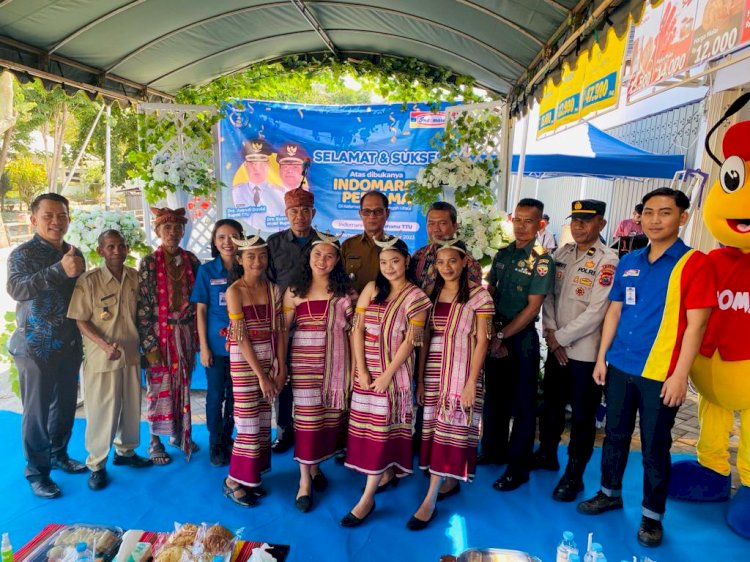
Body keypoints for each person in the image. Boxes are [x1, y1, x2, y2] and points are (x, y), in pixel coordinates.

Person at [577, 188, 717, 547]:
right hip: (620, 365)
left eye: (665, 212)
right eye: (649, 212)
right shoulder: (630, 260)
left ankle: (652, 517)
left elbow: (696, 324)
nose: (655, 220)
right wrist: (601, 358)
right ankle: (609, 492)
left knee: (655, 446)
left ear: (683, 218)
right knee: (615, 436)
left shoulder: (695, 264)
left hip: (661, 374)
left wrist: (680, 375)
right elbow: (615, 310)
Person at [341, 236, 431, 527]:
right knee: (368, 430)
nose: (389, 267)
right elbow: (357, 330)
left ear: (406, 262)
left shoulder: (416, 298)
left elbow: (410, 342)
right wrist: (363, 371)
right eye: (384, 262)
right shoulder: (371, 288)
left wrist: (386, 375)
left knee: (382, 431)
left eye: (395, 261)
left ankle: (367, 498)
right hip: (367, 373)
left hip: (394, 375)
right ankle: (385, 473)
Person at [535, 200, 619, 502]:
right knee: (552, 407)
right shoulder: (562, 254)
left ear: (601, 224)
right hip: (558, 346)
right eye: (575, 220)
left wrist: (560, 338)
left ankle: (575, 473)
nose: (579, 226)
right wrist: (552, 333)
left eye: (587, 220)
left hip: (584, 353)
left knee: (583, 417)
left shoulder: (608, 260)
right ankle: (546, 454)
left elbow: (598, 311)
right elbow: (548, 297)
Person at [410, 238, 493, 531]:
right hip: (433, 371)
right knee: (434, 429)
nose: (447, 267)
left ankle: (430, 499)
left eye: (453, 261)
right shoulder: (429, 294)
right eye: (441, 262)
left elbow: (483, 340)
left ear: (465, 262)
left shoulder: (479, 297)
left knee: (452, 428)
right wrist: (419, 379)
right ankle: (446, 480)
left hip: (462, 372)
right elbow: (424, 339)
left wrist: (471, 382)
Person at [7, 193, 87, 498]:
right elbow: (16, 289)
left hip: (68, 342)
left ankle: (59, 455)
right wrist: (57, 271)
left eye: (62, 215)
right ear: (34, 220)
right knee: (37, 412)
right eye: (48, 216)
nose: (56, 221)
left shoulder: (74, 252)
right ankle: (37, 473)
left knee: (65, 405)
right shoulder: (22, 254)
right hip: (34, 345)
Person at [67, 230, 153, 491]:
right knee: (102, 411)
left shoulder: (134, 277)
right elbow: (80, 319)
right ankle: (96, 464)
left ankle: (125, 452)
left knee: (130, 406)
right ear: (100, 251)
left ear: (127, 249)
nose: (116, 250)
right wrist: (104, 345)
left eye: (121, 246)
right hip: (102, 356)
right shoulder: (89, 281)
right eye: (110, 246)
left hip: (130, 353)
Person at [483, 198, 555, 492]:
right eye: (518, 220)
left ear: (540, 225)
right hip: (496, 334)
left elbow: (531, 309)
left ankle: (518, 467)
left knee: (523, 405)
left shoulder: (541, 260)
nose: (522, 227)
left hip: (521, 338)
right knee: (495, 399)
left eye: (529, 221)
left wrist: (502, 337)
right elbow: (490, 294)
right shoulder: (502, 255)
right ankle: (492, 451)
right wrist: (491, 333)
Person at [283, 233, 353, 513]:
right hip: (303, 366)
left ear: (336, 260)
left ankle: (314, 469)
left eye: (328, 256)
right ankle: (304, 483)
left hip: (336, 367)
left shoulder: (346, 292)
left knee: (328, 420)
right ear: (308, 258)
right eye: (317, 255)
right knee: (307, 420)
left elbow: (353, 331)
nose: (322, 261)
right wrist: (280, 363)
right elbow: (283, 331)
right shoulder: (294, 291)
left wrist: (353, 369)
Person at [223, 232, 286, 507]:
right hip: (245, 360)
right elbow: (240, 337)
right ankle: (233, 480)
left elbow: (280, 329)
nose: (257, 261)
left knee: (263, 420)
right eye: (250, 256)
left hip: (269, 356)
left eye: (262, 255)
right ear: (240, 259)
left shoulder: (273, 289)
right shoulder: (234, 291)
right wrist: (261, 375)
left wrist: (280, 366)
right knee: (247, 421)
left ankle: (252, 477)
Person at [137, 207, 200, 465]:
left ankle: (178, 435)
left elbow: (198, 302)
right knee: (159, 388)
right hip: (159, 335)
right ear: (158, 232)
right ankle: (155, 441)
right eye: (167, 228)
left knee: (182, 385)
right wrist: (149, 345)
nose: (173, 233)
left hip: (184, 334)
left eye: (177, 228)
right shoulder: (149, 262)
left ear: (183, 231)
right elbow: (142, 306)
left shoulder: (192, 260)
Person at [267, 187, 321, 454]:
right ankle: (285, 429)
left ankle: (319, 430)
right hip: (286, 324)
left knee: (316, 378)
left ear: (313, 213)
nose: (299, 216)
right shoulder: (274, 243)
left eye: (304, 211)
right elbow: (267, 284)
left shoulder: (325, 242)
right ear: (286, 213)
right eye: (293, 211)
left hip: (318, 323)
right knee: (284, 376)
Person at [191, 219, 244, 467]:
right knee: (215, 396)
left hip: (243, 347)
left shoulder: (247, 269)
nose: (227, 242)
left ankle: (228, 437)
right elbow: (201, 311)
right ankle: (215, 442)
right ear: (214, 240)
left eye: (233, 236)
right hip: (215, 347)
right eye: (221, 236)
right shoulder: (207, 271)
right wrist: (203, 346)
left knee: (237, 396)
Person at [411, 201, 483, 296]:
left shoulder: (467, 262)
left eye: (442, 223)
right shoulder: (419, 255)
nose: (436, 229)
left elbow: (474, 299)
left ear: (454, 226)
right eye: (431, 223)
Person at [341, 191, 391, 294]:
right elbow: (337, 280)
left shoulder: (396, 246)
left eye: (378, 211)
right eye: (366, 211)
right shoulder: (348, 246)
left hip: (387, 308)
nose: (372, 216)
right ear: (360, 214)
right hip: (353, 307)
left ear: (387, 213)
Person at [232, 138, 285, 232]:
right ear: (246, 165)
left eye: (261, 163)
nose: (257, 168)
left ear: (268, 165)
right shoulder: (237, 191)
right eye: (252, 163)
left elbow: (283, 224)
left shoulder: (279, 192)